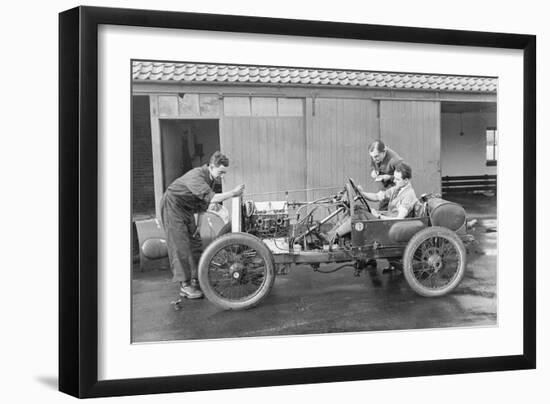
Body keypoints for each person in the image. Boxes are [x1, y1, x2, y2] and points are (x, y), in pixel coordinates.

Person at [161, 151, 244, 299]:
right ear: (212, 166)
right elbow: (213, 199)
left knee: (196, 242)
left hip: (187, 209)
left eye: (224, 173)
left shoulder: (210, 178)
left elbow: (201, 205)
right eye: (221, 172)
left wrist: (198, 226)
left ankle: (197, 279)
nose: (222, 176)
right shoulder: (197, 176)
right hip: (172, 207)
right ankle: (185, 285)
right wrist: (233, 193)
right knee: (180, 246)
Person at [328, 162, 418, 240]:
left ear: (406, 180)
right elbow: (376, 196)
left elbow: (399, 219)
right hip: (386, 222)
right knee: (357, 209)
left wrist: (379, 216)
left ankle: (332, 238)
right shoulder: (397, 189)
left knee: (358, 216)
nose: (394, 181)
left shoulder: (409, 195)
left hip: (390, 227)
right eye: (394, 178)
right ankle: (331, 234)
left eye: (397, 179)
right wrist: (361, 193)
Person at [368, 140, 403, 210]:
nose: (374, 159)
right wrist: (373, 171)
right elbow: (373, 165)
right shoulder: (374, 155)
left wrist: (390, 177)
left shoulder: (395, 160)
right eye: (372, 157)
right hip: (385, 185)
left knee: (384, 208)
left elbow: (404, 178)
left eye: (376, 156)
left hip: (396, 186)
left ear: (384, 152)